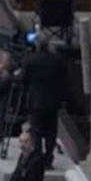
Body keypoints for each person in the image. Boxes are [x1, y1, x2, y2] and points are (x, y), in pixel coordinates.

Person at [19, 32, 66, 160]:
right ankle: (49, 156)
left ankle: (38, 156)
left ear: (36, 45)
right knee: (51, 130)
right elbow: (63, 79)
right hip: (53, 101)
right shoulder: (58, 59)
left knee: (37, 130)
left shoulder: (30, 59)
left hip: (35, 101)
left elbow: (23, 79)